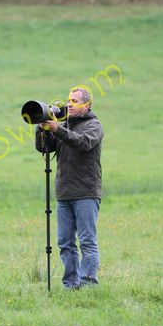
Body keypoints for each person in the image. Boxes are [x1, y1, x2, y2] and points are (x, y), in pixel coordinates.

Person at [35, 87, 104, 289]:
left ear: (87, 105)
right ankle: (71, 284)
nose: (69, 104)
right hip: (64, 192)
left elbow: (83, 143)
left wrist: (58, 129)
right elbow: (44, 148)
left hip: (86, 192)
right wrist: (42, 128)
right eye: (69, 100)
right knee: (65, 242)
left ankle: (88, 283)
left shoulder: (93, 125)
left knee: (87, 241)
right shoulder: (64, 125)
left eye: (74, 101)